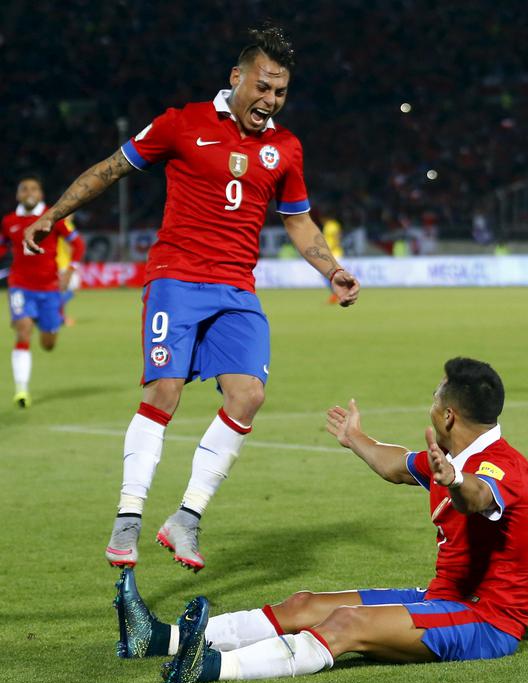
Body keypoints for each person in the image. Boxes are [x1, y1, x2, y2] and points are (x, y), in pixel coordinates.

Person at [22, 25, 361, 572]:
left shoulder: (286, 148)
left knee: (249, 394)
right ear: (237, 78)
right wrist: (53, 214)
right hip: (176, 278)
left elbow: (297, 221)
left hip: (236, 289)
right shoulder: (182, 124)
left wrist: (333, 270)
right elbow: (111, 169)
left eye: (280, 92)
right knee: (164, 391)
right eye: (263, 86)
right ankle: (128, 520)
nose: (270, 100)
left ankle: (186, 519)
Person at [112, 357, 528, 683]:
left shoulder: (500, 468)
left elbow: (478, 496)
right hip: (442, 597)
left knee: (346, 624)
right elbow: (395, 466)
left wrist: (454, 482)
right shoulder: (452, 458)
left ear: (449, 415)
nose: (430, 406)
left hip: (485, 621)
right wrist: (355, 438)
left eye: (436, 398)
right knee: (306, 605)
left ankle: (211, 668)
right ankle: (159, 639)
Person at [1, 176, 80, 407]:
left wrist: (69, 271)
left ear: (41, 194)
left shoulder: (52, 217)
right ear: (18, 195)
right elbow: (3, 244)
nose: (29, 192)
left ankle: (46, 324)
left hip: (49, 289)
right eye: (24, 189)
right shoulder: (9, 221)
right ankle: (21, 391)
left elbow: (78, 244)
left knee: (48, 343)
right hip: (19, 285)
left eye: (34, 188)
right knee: (23, 330)